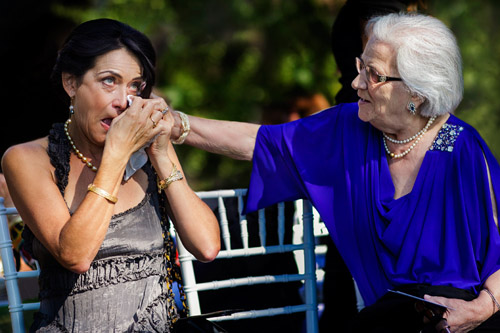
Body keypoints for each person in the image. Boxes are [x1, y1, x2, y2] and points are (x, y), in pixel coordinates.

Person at [167, 12, 500, 332]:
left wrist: (482, 308)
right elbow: (259, 141)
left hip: (468, 318)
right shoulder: (347, 128)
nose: (356, 83)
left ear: (415, 92)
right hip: (390, 320)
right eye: (361, 67)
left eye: (374, 74)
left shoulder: (459, 148)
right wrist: (178, 124)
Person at [1, 18, 220, 332]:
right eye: (109, 81)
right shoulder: (27, 158)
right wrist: (116, 154)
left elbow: (206, 247)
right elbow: (75, 255)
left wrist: (160, 152)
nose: (122, 101)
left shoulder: (147, 154)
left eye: (134, 85)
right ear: (71, 84)